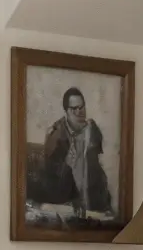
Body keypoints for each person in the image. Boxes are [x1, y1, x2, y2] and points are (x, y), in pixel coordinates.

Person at [42, 87, 113, 219]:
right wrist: (67, 165)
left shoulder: (92, 130)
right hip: (66, 205)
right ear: (66, 111)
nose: (79, 111)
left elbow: (97, 169)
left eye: (82, 107)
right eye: (74, 108)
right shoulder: (56, 136)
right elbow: (51, 182)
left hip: (92, 203)